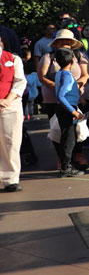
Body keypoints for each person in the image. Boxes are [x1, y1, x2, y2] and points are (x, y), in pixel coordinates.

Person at [37, 29, 89, 171]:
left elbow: (86, 75)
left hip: (77, 97)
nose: (64, 43)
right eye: (61, 41)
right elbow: (42, 76)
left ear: (72, 43)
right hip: (53, 100)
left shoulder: (79, 56)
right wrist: (59, 87)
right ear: (56, 43)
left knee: (77, 129)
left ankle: (77, 154)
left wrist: (75, 87)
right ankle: (62, 158)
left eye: (68, 41)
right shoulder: (48, 57)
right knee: (58, 130)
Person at [53, 48, 86, 178]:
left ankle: (67, 164)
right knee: (69, 139)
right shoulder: (67, 76)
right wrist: (73, 111)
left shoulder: (59, 73)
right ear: (73, 59)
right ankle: (66, 167)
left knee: (67, 137)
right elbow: (61, 96)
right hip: (67, 109)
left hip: (65, 108)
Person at [0, 34, 27, 191]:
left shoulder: (13, 59)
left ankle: (10, 178)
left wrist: (8, 100)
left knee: (11, 141)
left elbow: (20, 81)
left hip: (11, 103)